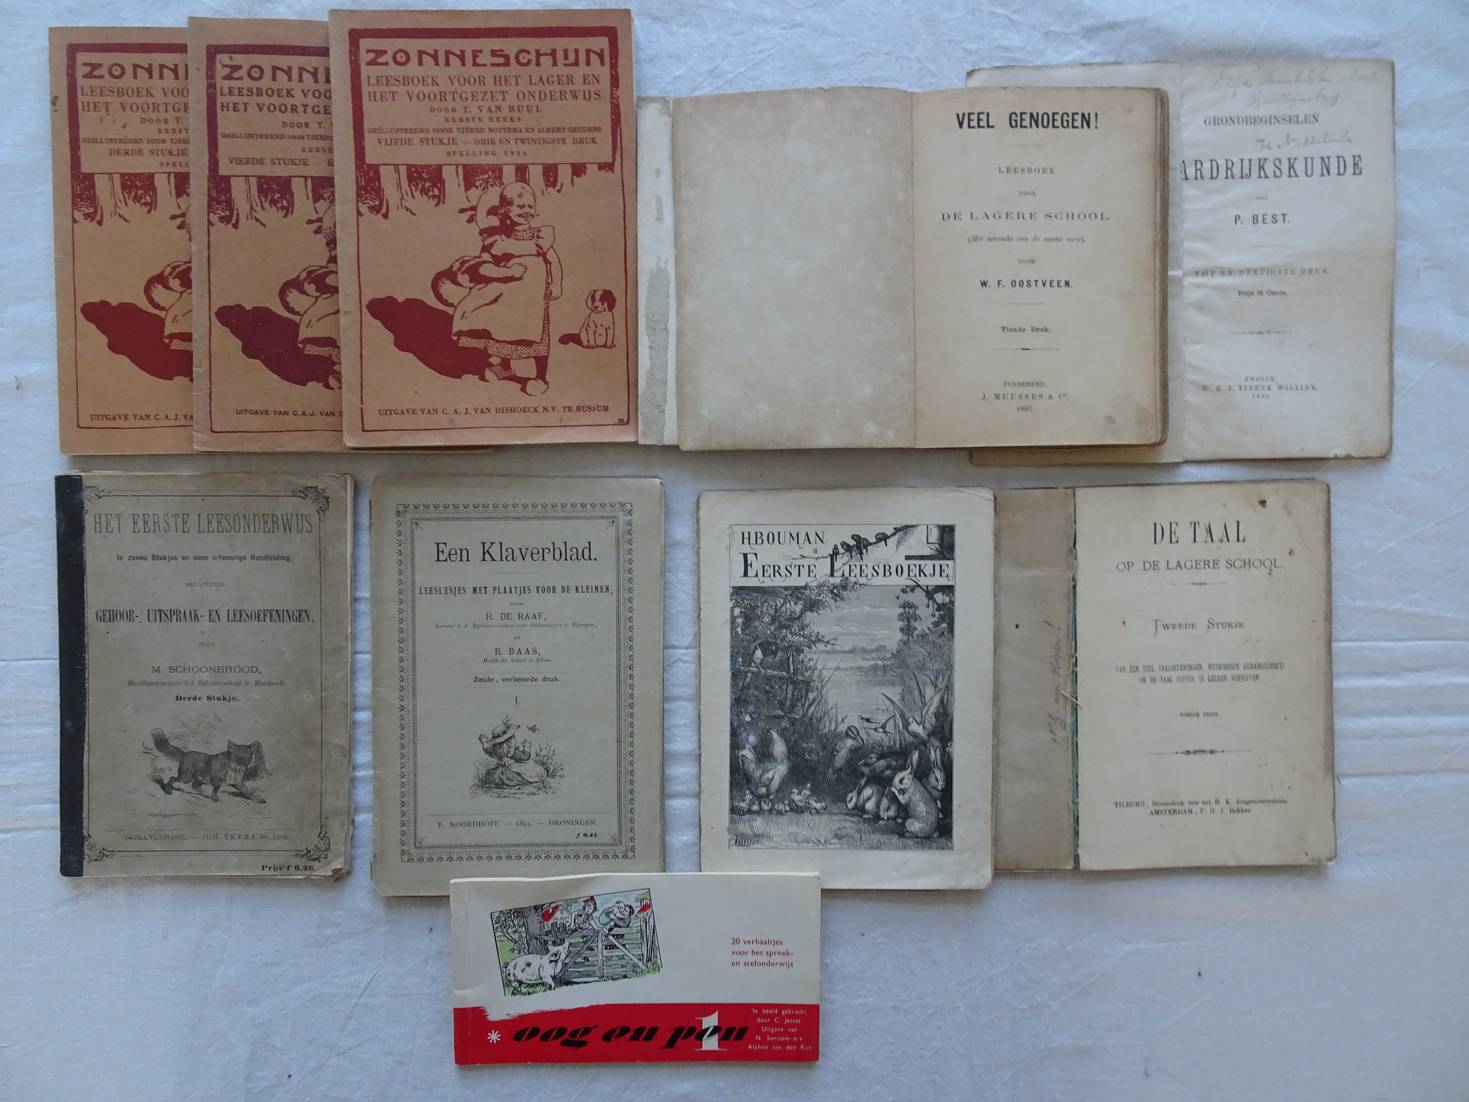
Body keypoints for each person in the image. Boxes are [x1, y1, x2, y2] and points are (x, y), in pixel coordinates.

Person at [432, 182, 563, 395]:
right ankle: (505, 367)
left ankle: (540, 378)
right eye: (520, 206)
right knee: (503, 330)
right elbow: (485, 263)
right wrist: (502, 273)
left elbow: (553, 261)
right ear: (506, 210)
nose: (526, 211)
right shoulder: (497, 238)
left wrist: (557, 284)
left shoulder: (541, 237)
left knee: (536, 336)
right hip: (505, 296)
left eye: (530, 206)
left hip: (533, 297)